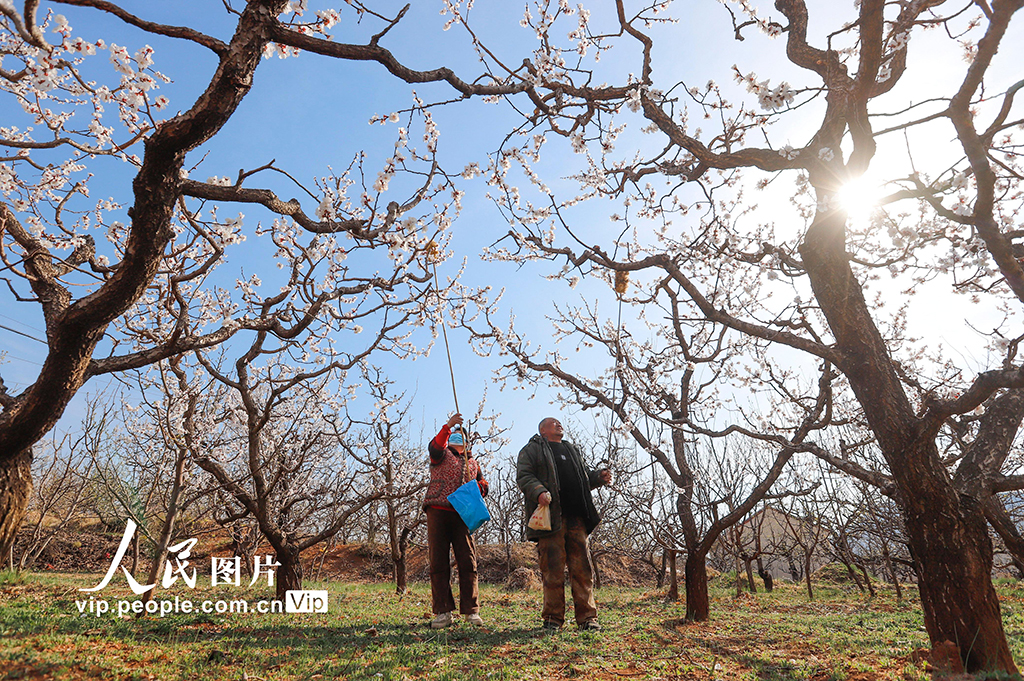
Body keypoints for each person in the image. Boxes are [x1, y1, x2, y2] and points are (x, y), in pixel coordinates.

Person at [517, 416, 612, 631]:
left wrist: (598, 477)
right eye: (553, 422)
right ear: (542, 430)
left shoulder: (571, 449)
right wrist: (539, 491)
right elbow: (524, 476)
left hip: (577, 516)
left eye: (559, 422)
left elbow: (583, 478)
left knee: (582, 569)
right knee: (552, 569)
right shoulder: (532, 450)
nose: (559, 424)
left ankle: (588, 618)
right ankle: (552, 618)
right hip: (550, 519)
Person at [423, 412, 489, 628]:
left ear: (467, 442)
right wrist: (448, 427)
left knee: (467, 560)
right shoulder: (441, 455)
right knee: (439, 561)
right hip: (438, 510)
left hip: (462, 513)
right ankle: (443, 611)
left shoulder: (473, 463)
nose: (457, 439)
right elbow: (435, 446)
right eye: (455, 435)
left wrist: (478, 487)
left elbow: (484, 485)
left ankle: (471, 610)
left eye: (461, 436)